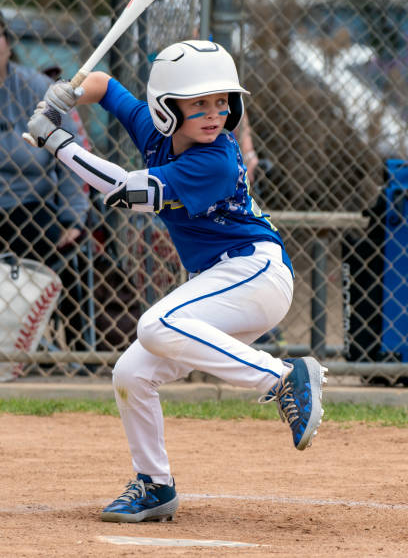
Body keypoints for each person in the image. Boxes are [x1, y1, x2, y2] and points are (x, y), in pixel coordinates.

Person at [26, 39, 327, 523]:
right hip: (225, 279)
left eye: (221, 102)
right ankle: (155, 486)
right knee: (132, 373)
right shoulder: (153, 130)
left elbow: (125, 191)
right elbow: (105, 86)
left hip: (255, 271)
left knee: (156, 323)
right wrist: (67, 92)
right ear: (166, 110)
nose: (214, 114)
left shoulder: (216, 160)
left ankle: (281, 378)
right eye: (198, 104)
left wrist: (58, 141)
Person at [0, 12, 90, 363]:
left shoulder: (36, 88)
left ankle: (86, 355)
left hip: (29, 205)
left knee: (74, 257)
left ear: (8, 43)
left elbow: (69, 156)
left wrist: (72, 217)